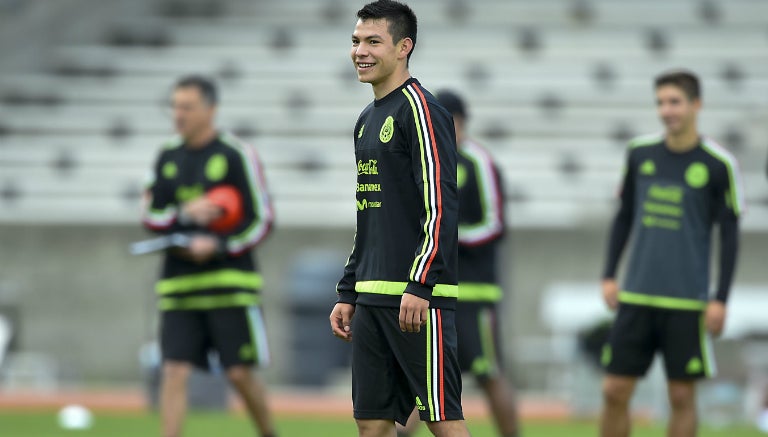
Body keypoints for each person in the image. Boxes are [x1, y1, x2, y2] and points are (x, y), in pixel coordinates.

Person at [328, 2, 471, 436]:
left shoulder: (422, 110)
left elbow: (440, 205)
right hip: (371, 299)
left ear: (404, 47)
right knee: (371, 426)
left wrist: (420, 284)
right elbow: (368, 215)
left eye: (373, 41)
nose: (360, 51)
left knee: (443, 422)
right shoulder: (366, 120)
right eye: (356, 41)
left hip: (416, 301)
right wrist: (349, 289)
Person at [599, 70, 744, 437]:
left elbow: (729, 235)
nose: (666, 110)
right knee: (614, 390)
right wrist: (609, 274)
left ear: (696, 105)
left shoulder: (718, 164)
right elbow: (624, 217)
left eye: (674, 101)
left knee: (681, 395)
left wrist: (720, 298)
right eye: (661, 102)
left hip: (687, 300)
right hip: (636, 293)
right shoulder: (639, 153)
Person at [141, 75, 276, 437]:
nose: (178, 114)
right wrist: (185, 216)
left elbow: (262, 220)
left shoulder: (236, 155)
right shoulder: (167, 156)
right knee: (173, 370)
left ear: (211, 110)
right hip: (179, 287)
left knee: (239, 373)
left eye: (187, 106)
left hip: (230, 286)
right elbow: (150, 216)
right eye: (174, 106)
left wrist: (218, 245)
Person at [397, 90, 521, 437]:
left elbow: (495, 223)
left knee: (489, 373)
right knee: (424, 373)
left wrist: (446, 238)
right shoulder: (427, 164)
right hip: (433, 291)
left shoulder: (477, 161)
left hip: (474, 293)